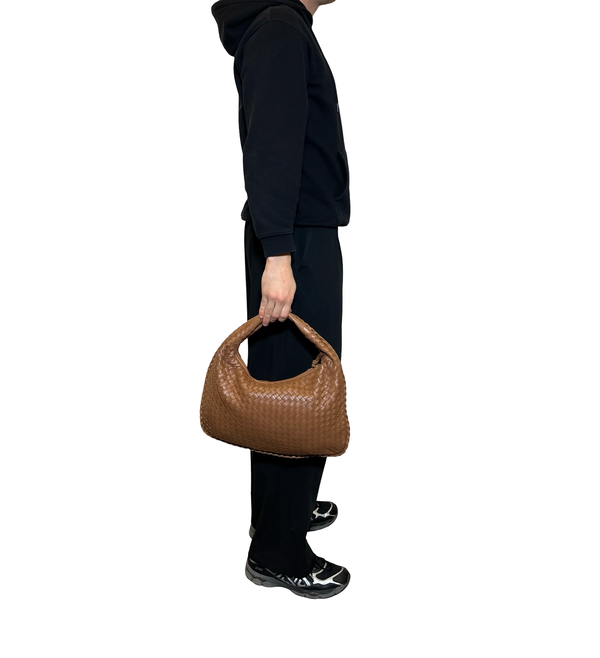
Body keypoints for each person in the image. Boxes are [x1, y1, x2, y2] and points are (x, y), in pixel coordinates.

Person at [210, 0, 352, 599]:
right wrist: (279, 255)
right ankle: (278, 550)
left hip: (292, 235)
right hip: (292, 239)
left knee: (282, 383)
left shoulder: (282, 26)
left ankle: (278, 513)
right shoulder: (278, 28)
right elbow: (270, 148)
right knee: (300, 385)